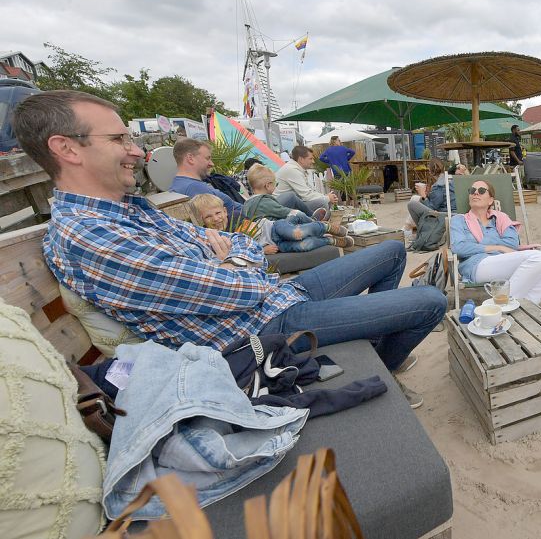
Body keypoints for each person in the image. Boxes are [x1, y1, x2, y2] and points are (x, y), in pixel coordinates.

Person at [13, 90, 443, 407]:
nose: (136, 150)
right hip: (259, 329)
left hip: (280, 296)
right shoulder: (90, 238)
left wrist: (227, 257)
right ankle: (385, 365)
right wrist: (230, 258)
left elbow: (237, 244)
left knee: (390, 251)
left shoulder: (130, 212)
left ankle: (378, 343)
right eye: (119, 139)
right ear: (66, 148)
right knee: (430, 300)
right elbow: (239, 289)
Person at [449, 179, 541, 304]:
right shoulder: (459, 220)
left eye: (481, 191)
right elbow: (458, 247)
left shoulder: (501, 218)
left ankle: (527, 304)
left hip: (507, 261)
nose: (475, 193)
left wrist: (475, 245)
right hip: (477, 265)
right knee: (538, 257)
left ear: (490, 200)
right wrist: (498, 247)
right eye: (472, 191)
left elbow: (512, 243)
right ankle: (501, 305)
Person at [191, 193, 352, 252]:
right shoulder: (214, 237)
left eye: (218, 213)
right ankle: (330, 240)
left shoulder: (236, 218)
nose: (216, 219)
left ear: (225, 211)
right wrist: (263, 250)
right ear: (202, 221)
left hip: (274, 229)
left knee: (296, 233)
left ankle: (325, 226)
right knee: (304, 245)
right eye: (209, 217)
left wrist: (259, 247)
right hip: (275, 244)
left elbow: (247, 240)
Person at [244, 165, 340, 230]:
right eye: (275, 184)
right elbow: (283, 211)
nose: (276, 186)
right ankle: (315, 222)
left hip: (266, 229)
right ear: (268, 185)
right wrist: (296, 213)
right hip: (275, 229)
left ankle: (312, 220)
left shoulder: (248, 202)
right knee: (297, 214)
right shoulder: (265, 201)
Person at [169, 138, 244, 220]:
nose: (212, 164)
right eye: (207, 158)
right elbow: (217, 221)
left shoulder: (179, 184)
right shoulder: (193, 187)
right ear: (190, 158)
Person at [274, 145, 338, 217]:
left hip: (289, 204)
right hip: (282, 207)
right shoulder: (292, 170)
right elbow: (306, 195)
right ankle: (319, 224)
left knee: (323, 201)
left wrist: (326, 197)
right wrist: (327, 198)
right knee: (321, 203)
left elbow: (309, 191)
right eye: (310, 159)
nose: (313, 161)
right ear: (301, 159)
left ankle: (318, 223)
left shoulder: (295, 168)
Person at [406, 161, 468, 229]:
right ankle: (408, 226)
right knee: (415, 198)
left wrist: (423, 195)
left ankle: (420, 230)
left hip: (447, 215)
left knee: (412, 203)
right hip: (460, 214)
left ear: (430, 172)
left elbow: (432, 208)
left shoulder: (441, 185)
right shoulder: (465, 183)